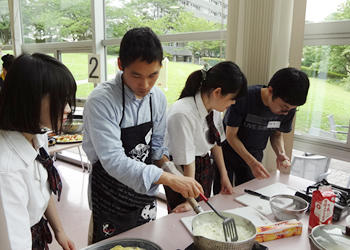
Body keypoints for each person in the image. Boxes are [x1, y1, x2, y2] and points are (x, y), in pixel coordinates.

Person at [82, 27, 203, 244]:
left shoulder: (157, 98)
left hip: (144, 196)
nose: (145, 85)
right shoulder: (101, 101)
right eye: (136, 75)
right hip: (110, 196)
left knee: (144, 244)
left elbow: (157, 152)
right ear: (120, 65)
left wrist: (180, 178)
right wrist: (169, 179)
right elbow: (114, 161)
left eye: (153, 75)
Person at [0, 53, 76, 250]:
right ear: (30, 99)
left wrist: (59, 231)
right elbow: (14, 243)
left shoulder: (37, 134)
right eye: (60, 100)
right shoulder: (7, 169)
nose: (67, 109)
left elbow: (42, 186)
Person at [164, 61, 248, 213]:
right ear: (217, 92)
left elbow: (215, 142)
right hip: (182, 172)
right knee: (182, 217)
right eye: (232, 98)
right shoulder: (183, 113)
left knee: (201, 213)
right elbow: (187, 160)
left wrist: (224, 175)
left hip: (204, 166)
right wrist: (190, 200)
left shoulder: (214, 108)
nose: (234, 102)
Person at [213, 67, 310, 193]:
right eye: (283, 107)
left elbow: (276, 134)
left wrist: (280, 153)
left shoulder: (288, 110)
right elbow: (231, 135)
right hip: (227, 154)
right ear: (270, 91)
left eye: (291, 109)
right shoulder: (244, 98)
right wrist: (252, 162)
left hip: (254, 155)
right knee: (222, 194)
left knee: (248, 195)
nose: (285, 113)